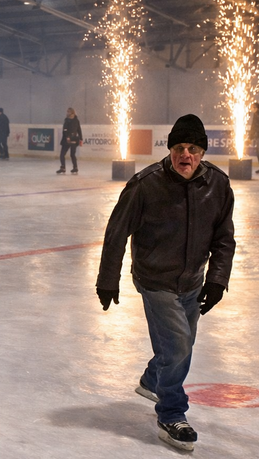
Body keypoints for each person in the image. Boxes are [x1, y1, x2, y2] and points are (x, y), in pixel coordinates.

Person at [95, 114, 235, 452]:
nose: (185, 155)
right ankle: (172, 414)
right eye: (179, 148)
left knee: (180, 347)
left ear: (202, 153)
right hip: (155, 280)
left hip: (192, 281)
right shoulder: (146, 184)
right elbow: (116, 234)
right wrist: (107, 280)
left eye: (194, 149)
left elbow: (224, 238)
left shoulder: (218, 184)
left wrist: (217, 279)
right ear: (170, 149)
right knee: (177, 347)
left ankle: (152, 379)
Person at [57, 107, 82, 174]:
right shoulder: (76, 120)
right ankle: (75, 167)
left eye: (68, 112)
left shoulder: (67, 120)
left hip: (67, 140)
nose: (67, 113)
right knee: (72, 154)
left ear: (72, 112)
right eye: (67, 111)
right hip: (74, 139)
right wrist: (81, 139)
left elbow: (65, 130)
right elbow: (79, 130)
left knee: (62, 154)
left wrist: (67, 137)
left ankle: (63, 167)